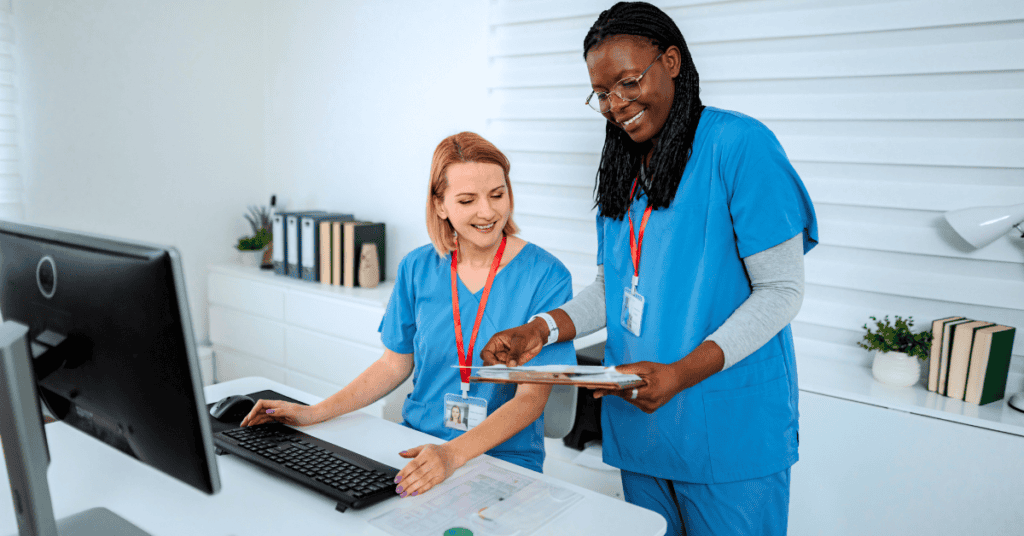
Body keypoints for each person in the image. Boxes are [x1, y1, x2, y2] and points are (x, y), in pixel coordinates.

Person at [479, 3, 818, 535]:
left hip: (728, 433)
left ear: (673, 61)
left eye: (629, 81)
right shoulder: (623, 167)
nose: (618, 104)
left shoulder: (739, 146)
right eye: (603, 94)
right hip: (642, 429)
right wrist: (539, 329)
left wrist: (682, 373)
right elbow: (611, 290)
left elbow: (780, 291)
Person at [241, 131, 575, 498]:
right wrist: (314, 412)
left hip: (503, 460)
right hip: (416, 447)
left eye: (498, 195)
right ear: (440, 205)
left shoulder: (547, 275)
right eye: (467, 200)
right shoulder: (417, 267)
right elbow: (393, 365)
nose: (488, 211)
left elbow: (531, 399)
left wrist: (451, 455)